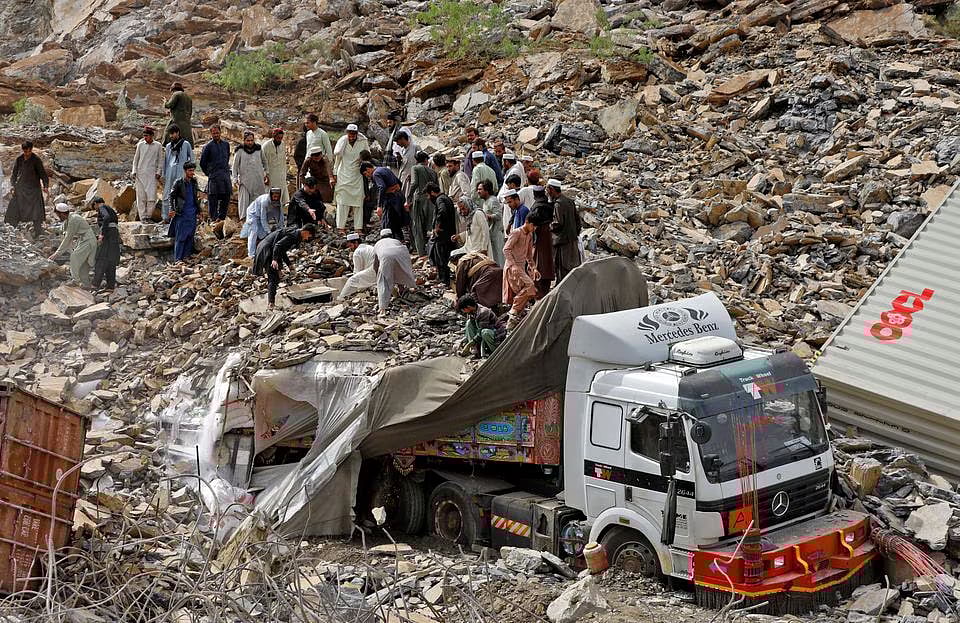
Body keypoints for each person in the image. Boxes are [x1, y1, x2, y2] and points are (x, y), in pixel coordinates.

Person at [253, 223, 318, 307]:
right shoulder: (292, 236)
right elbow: (278, 246)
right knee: (273, 277)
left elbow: (282, 250)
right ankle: (271, 303)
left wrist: (289, 265)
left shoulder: (295, 234)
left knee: (277, 273)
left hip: (270, 249)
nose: (308, 238)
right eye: (309, 235)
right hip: (267, 250)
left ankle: (271, 300)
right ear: (305, 232)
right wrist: (274, 259)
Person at [5, 141, 49, 239]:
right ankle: (10, 230)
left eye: (29, 152)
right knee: (14, 207)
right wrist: (12, 186)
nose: (27, 154)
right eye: (25, 152)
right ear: (23, 150)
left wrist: (45, 186)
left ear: (31, 150)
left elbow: (43, 175)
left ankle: (38, 232)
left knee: (36, 210)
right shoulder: (19, 159)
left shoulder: (36, 160)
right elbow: (14, 174)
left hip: (34, 189)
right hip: (21, 188)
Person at [502, 215, 539, 329]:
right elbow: (506, 249)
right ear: (528, 223)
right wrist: (513, 265)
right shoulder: (517, 233)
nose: (534, 228)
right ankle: (514, 312)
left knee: (527, 291)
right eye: (534, 226)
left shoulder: (529, 235)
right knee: (530, 286)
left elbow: (528, 255)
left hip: (521, 268)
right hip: (513, 268)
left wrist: (534, 268)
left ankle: (515, 315)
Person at [332, 123, 370, 234]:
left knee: (358, 202)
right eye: (350, 133)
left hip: (357, 175)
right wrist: (334, 173)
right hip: (343, 174)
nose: (352, 136)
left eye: (354, 133)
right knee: (342, 202)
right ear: (347, 133)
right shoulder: (342, 141)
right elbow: (337, 158)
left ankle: (358, 228)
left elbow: (367, 156)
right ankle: (341, 228)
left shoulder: (362, 141)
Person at [48, 202, 95, 286]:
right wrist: (49, 229)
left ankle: (75, 281)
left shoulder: (73, 219)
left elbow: (68, 238)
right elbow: (61, 228)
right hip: (84, 240)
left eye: (58, 215)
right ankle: (85, 284)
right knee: (83, 263)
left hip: (88, 240)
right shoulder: (69, 218)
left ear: (62, 213)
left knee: (74, 258)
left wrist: (56, 254)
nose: (58, 217)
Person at [373, 228, 416, 316]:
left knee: (383, 282)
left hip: (386, 256)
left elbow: (376, 264)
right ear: (391, 236)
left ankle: (382, 307)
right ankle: (402, 288)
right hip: (401, 253)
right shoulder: (396, 241)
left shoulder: (378, 244)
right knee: (400, 270)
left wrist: (378, 274)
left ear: (381, 237)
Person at [547, 179, 582, 281]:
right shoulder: (569, 201)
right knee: (572, 267)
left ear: (552, 189)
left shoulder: (558, 204)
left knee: (563, 269)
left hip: (562, 242)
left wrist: (549, 226)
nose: (547, 192)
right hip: (572, 240)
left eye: (548, 190)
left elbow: (558, 223)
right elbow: (577, 220)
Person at [363, 162, 406, 241]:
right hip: (398, 197)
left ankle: (387, 242)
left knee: (387, 223)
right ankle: (400, 241)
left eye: (366, 174)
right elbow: (399, 182)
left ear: (368, 169)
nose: (367, 176)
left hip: (390, 200)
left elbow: (381, 187)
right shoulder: (384, 169)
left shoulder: (375, 174)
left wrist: (379, 206)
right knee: (396, 222)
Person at [167, 161, 201, 261]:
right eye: (190, 171)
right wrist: (172, 209)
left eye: (193, 171)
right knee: (180, 237)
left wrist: (199, 211)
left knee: (190, 236)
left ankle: (186, 257)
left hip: (192, 213)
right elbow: (171, 196)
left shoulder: (194, 182)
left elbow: (195, 198)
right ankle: (178, 259)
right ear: (185, 171)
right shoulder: (179, 182)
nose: (192, 173)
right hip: (182, 213)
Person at [455, 294, 506, 359]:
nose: (463, 312)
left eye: (463, 309)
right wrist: (464, 341)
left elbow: (480, 333)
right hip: (484, 334)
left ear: (468, 307)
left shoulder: (483, 312)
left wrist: (468, 345)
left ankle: (496, 353)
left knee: (484, 332)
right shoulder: (472, 312)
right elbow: (473, 329)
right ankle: (476, 352)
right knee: (468, 323)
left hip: (496, 335)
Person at [233, 130, 268, 220]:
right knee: (244, 203)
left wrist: (266, 173)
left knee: (258, 201)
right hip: (245, 181)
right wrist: (235, 179)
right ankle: (244, 222)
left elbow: (265, 162)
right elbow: (235, 166)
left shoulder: (259, 149)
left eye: (251, 140)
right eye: (248, 141)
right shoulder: (239, 150)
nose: (250, 142)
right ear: (244, 140)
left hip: (258, 180)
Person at [162, 125, 193, 223]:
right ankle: (165, 217)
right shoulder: (168, 146)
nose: (171, 136)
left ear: (178, 133)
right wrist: (164, 174)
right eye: (170, 134)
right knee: (167, 195)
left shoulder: (186, 144)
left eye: (173, 133)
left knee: (181, 195)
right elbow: (166, 161)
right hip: (170, 173)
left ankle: (180, 217)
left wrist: (190, 173)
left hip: (181, 173)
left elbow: (191, 159)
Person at [527, 185, 555, 298]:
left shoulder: (537, 206)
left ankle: (539, 291)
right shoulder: (549, 205)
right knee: (547, 261)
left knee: (539, 261)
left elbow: (532, 220)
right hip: (549, 235)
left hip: (540, 237)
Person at [241, 188, 285, 257]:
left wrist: (282, 229)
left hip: (266, 213)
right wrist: (269, 232)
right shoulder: (264, 202)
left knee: (262, 234)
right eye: (274, 196)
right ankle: (251, 254)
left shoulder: (279, 203)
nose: (276, 198)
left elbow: (280, 217)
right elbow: (263, 219)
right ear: (271, 195)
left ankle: (261, 250)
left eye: (277, 196)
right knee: (254, 231)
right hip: (253, 214)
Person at [131, 126, 163, 221]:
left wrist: (158, 172)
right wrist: (134, 171)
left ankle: (149, 216)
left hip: (152, 175)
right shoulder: (140, 145)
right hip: (140, 174)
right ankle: (143, 217)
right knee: (141, 197)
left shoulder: (158, 145)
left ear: (152, 136)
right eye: (144, 136)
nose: (145, 137)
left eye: (147, 136)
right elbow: (135, 160)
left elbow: (160, 160)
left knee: (151, 197)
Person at [199, 124, 231, 221]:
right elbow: (202, 163)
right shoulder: (208, 146)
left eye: (217, 133)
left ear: (220, 132)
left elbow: (227, 158)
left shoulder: (226, 145)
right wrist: (209, 173)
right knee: (213, 199)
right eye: (214, 133)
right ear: (211, 134)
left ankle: (222, 219)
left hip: (225, 176)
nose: (216, 135)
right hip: (214, 177)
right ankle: (213, 219)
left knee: (226, 197)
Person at [410, 151, 438, 256]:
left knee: (418, 227)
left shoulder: (415, 168)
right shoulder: (433, 172)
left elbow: (414, 184)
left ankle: (421, 253)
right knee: (431, 226)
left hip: (419, 199)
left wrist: (408, 199)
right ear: (426, 160)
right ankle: (432, 252)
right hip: (431, 201)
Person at [427, 183, 455, 284]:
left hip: (443, 235)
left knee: (441, 258)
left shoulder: (440, 200)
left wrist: (438, 225)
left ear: (432, 193)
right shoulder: (445, 198)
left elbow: (442, 211)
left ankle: (444, 280)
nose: (428, 198)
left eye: (428, 195)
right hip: (448, 234)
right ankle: (445, 279)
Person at [91, 196, 120, 291]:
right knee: (111, 259)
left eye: (94, 206)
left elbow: (106, 217)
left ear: (96, 203)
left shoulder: (102, 207)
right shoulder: (110, 209)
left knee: (101, 258)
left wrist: (102, 234)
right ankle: (110, 285)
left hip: (108, 234)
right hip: (114, 234)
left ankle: (95, 284)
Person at [338, 232, 377, 299]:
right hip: (377, 269)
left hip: (374, 271)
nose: (350, 248)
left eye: (351, 246)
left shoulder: (357, 252)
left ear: (356, 242)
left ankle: (341, 298)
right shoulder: (367, 246)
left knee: (352, 280)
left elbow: (357, 271)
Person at [476, 180, 504, 266]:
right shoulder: (485, 202)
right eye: (477, 189)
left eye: (480, 189)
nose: (478, 191)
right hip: (491, 234)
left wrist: (488, 216)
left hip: (496, 234)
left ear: (487, 190)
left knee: (499, 257)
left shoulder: (492, 200)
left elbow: (498, 215)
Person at [262, 128, 289, 206]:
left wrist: (285, 174)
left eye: (281, 138)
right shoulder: (266, 146)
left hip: (281, 176)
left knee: (280, 198)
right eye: (278, 138)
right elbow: (262, 162)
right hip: (270, 176)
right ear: (273, 136)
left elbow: (283, 161)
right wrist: (265, 175)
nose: (279, 140)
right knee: (269, 197)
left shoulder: (282, 144)